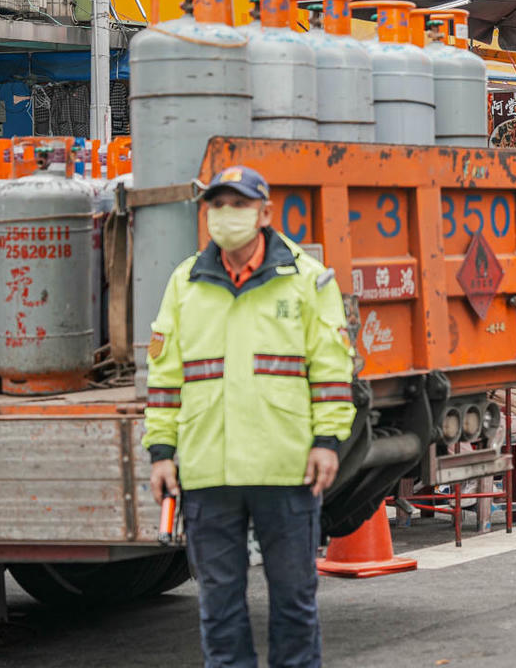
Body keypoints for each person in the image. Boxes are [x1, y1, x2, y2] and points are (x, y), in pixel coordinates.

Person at [145, 165, 355, 668]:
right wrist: (161, 453)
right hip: (207, 469)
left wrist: (327, 440)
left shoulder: (306, 280)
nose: (225, 215)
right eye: (216, 204)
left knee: (293, 604)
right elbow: (165, 375)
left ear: (265, 213)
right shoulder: (185, 282)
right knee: (218, 611)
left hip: (284, 468)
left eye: (238, 205)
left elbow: (331, 367)